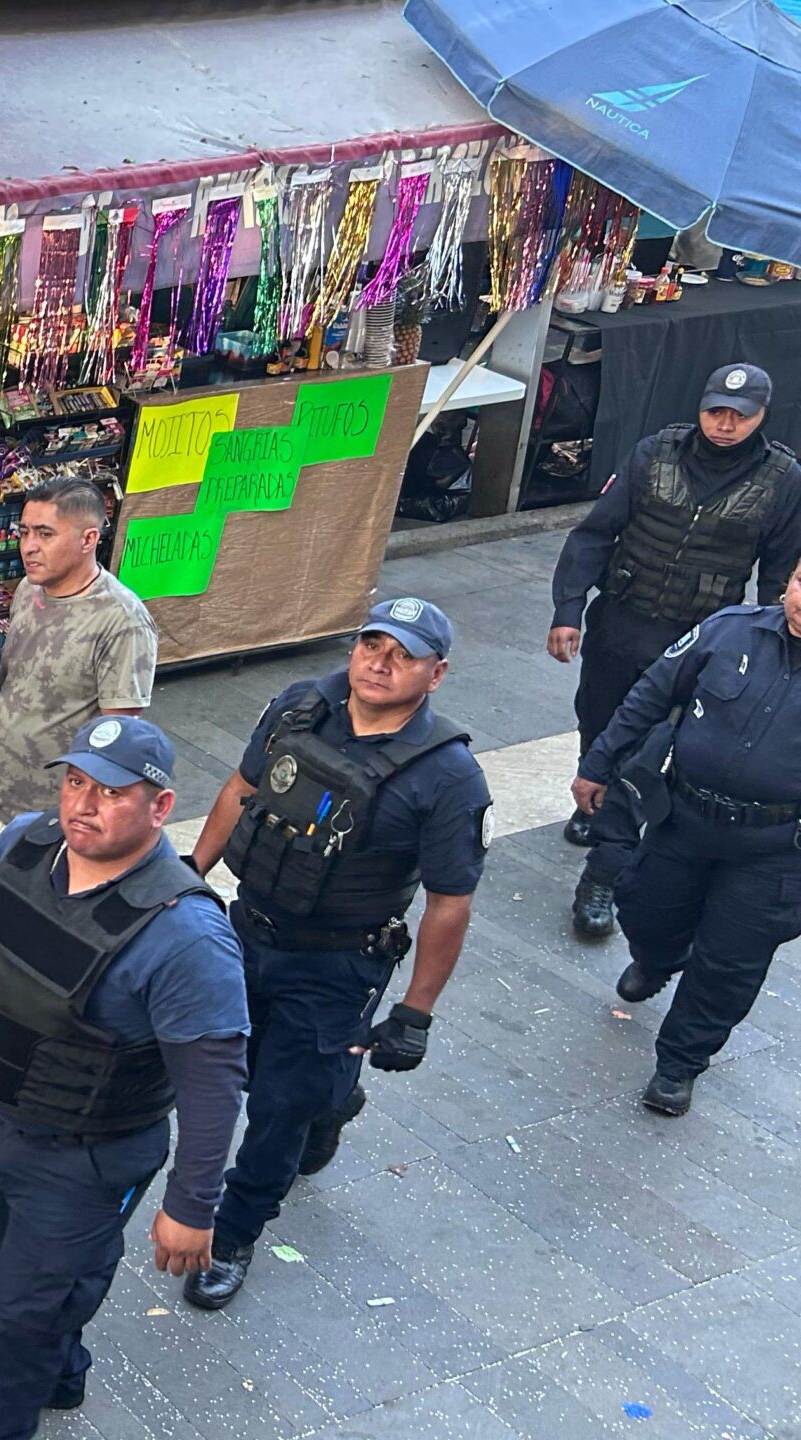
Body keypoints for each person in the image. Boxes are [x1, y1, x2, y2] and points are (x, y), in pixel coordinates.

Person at [0, 717, 247, 1438]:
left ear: (159, 808)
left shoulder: (187, 935)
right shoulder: (29, 841)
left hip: (88, 1156)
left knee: (23, 1310)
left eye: (110, 792)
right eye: (75, 782)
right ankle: (56, 1370)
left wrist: (193, 1206)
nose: (82, 805)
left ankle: (8, 1398)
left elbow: (212, 1084)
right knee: (21, 1271)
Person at [179, 598, 490, 1311]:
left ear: (436, 674)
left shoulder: (448, 776)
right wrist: (190, 877)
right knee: (237, 1067)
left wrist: (417, 1011)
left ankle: (235, 1231)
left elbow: (450, 900)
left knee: (278, 1107)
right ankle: (333, 1100)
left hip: (336, 964)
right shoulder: (298, 708)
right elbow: (242, 789)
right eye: (370, 644)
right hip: (245, 929)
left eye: (402, 654)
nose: (379, 662)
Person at [549, 362, 801, 939]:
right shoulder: (652, 454)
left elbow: (781, 572)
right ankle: (595, 792)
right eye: (716, 411)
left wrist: (771, 653)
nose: (724, 425)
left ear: (762, 417)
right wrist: (567, 611)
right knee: (601, 721)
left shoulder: (783, 479)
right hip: (622, 620)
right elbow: (594, 533)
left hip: (698, 641)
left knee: (649, 751)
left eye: (740, 416)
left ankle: (604, 872)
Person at [574, 563, 801, 1116]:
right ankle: (659, 957)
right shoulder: (730, 629)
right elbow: (650, 695)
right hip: (684, 818)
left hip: (773, 849)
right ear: (787, 584)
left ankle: (679, 1064)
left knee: (729, 964)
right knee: (643, 907)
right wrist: (598, 765)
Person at [0, 476, 158, 874]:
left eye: (45, 533)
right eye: (25, 531)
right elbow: (16, 677)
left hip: (50, 822)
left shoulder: (122, 622)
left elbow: (118, 741)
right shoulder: (28, 592)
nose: (28, 546)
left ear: (88, 540)